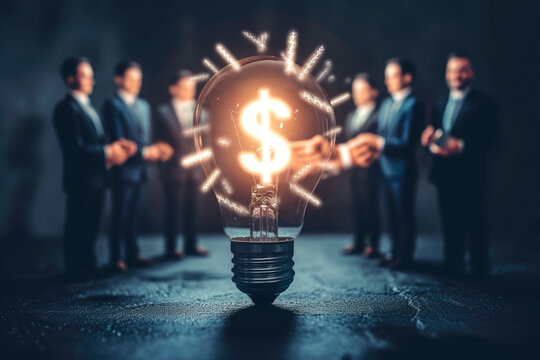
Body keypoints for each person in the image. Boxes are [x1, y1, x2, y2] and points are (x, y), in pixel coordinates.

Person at [53, 56, 137, 281]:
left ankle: (88, 264)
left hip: (97, 176)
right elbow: (75, 149)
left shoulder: (88, 106)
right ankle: (74, 267)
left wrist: (116, 146)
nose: (92, 80)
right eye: (85, 76)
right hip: (80, 178)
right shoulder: (65, 108)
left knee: (92, 222)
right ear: (70, 79)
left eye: (91, 75)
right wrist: (108, 152)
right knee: (78, 222)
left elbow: (98, 141)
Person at [421, 52, 496, 279]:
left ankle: (478, 268)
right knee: (449, 220)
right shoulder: (440, 103)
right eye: (452, 70)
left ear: (471, 73)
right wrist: (428, 137)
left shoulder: (485, 103)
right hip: (445, 172)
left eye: (462, 70)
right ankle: (452, 264)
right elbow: (435, 130)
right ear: (446, 74)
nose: (457, 75)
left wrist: (461, 146)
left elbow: (491, 140)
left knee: (475, 221)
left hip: (470, 172)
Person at [348, 58, 424, 269]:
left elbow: (407, 142)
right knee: (390, 214)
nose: (387, 81)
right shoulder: (388, 103)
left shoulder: (414, 104)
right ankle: (394, 251)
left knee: (404, 214)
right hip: (385, 168)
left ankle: (405, 255)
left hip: (403, 170)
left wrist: (377, 142)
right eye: (387, 76)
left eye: (393, 76)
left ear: (407, 77)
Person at [102, 60, 173, 272]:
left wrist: (154, 150)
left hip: (140, 169)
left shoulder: (143, 106)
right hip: (122, 170)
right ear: (118, 79)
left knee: (134, 215)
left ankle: (132, 253)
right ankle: (116, 257)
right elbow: (119, 140)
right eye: (131, 79)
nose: (136, 84)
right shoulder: (112, 105)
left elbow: (143, 139)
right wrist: (146, 152)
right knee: (119, 215)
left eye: (138, 80)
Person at [154, 70, 208, 258]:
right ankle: (171, 247)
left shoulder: (201, 112)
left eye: (192, 88)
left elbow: (206, 140)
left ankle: (191, 244)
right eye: (185, 88)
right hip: (173, 168)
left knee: (194, 209)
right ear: (173, 89)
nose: (190, 92)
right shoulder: (162, 112)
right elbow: (157, 139)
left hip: (196, 169)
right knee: (172, 210)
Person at [337, 73, 381, 257]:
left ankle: (373, 243)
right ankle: (359, 240)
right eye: (355, 91)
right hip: (353, 170)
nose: (357, 95)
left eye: (362, 90)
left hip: (372, 169)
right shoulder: (351, 115)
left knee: (371, 206)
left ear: (374, 92)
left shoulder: (379, 115)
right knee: (356, 206)